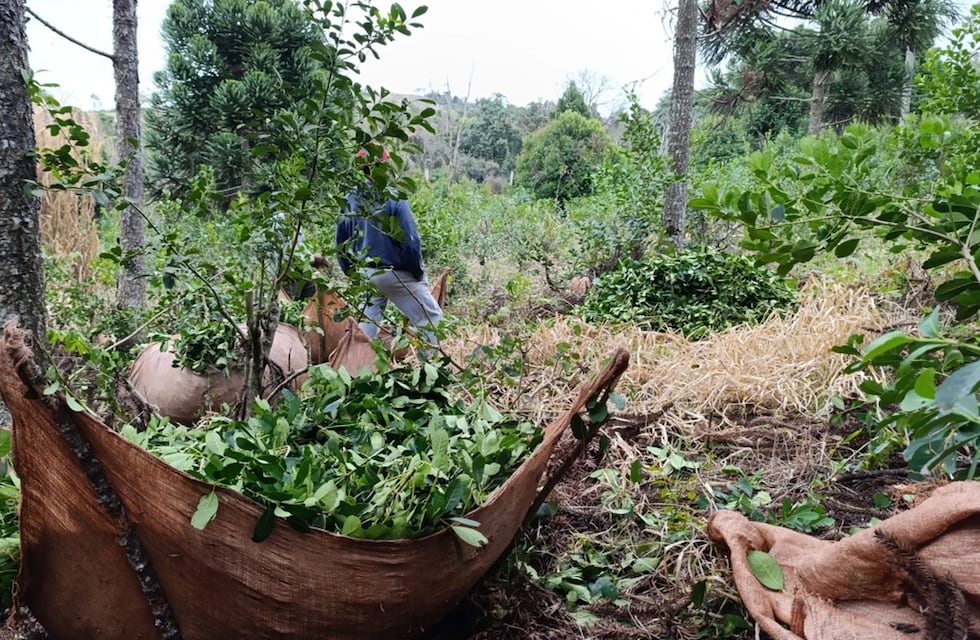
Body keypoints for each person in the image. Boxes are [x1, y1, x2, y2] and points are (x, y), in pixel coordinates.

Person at [335, 148, 443, 344]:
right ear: (384, 165)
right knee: (432, 320)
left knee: (365, 330)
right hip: (392, 272)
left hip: (366, 274)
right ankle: (435, 369)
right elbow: (411, 241)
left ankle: (359, 368)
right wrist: (417, 273)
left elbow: (340, 244)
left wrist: (352, 274)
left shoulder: (350, 198)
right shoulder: (392, 195)